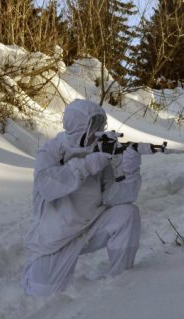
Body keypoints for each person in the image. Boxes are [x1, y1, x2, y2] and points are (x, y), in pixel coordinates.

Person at [21, 99, 145, 296]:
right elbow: (47, 187)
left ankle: (122, 280)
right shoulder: (51, 151)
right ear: (78, 128)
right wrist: (87, 165)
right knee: (41, 293)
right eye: (91, 128)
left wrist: (131, 169)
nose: (95, 134)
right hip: (56, 237)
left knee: (128, 214)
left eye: (98, 127)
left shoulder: (99, 153)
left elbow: (114, 196)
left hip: (90, 227)